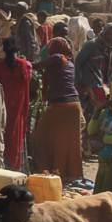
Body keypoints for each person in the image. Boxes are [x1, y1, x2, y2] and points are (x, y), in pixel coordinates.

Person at [32, 38, 84, 182]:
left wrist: (21, 62)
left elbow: (35, 66)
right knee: (70, 142)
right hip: (74, 105)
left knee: (42, 136)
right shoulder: (70, 63)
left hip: (61, 105)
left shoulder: (57, 57)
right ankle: (70, 174)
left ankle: (48, 169)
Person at [0, 38, 32, 172]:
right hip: (19, 106)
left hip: (2, 106)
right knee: (17, 135)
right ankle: (15, 166)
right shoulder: (24, 65)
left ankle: (4, 163)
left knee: (3, 133)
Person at [74, 22, 112, 119]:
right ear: (103, 32)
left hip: (103, 88)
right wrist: (78, 85)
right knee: (85, 116)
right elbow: (78, 63)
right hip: (88, 87)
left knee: (97, 117)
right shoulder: (91, 45)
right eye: (108, 33)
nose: (110, 37)